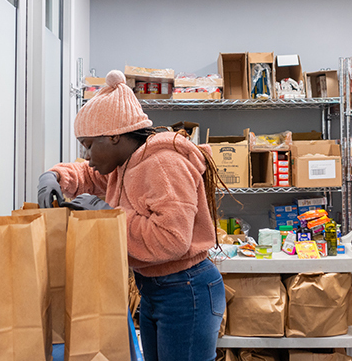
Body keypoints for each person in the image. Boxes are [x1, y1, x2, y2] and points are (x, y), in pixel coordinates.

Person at [37, 69, 226, 361]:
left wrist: (110, 216)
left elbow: (171, 238)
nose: (86, 156)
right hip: (155, 288)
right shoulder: (126, 164)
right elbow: (88, 174)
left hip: (186, 290)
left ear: (113, 137)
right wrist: (55, 177)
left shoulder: (163, 164)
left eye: (88, 145)